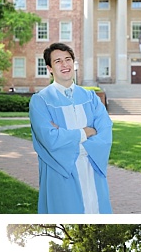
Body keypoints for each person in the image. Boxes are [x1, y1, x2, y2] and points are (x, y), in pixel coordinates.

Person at [29, 42, 113, 213]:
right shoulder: (41, 101)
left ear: (74, 63)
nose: (64, 64)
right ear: (50, 68)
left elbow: (105, 133)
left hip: (92, 170)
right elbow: (50, 140)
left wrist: (65, 135)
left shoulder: (91, 97)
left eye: (68, 59)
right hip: (61, 174)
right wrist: (86, 132)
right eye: (58, 61)